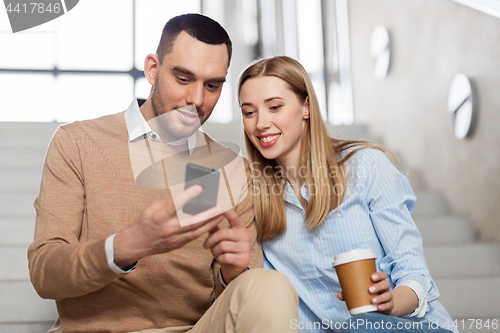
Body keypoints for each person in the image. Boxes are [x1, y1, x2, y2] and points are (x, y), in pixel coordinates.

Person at [28, 14, 298, 333]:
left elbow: (243, 302)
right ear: (153, 69)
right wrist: (126, 246)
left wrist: (232, 272)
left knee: (271, 284)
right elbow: (45, 273)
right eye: (183, 78)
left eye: (212, 85)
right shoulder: (77, 144)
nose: (196, 100)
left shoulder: (231, 168)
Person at [237, 56, 458, 333]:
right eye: (249, 112)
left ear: (306, 106)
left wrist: (389, 304)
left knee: (364, 326)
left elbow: (414, 272)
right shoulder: (257, 197)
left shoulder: (365, 166)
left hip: (406, 326)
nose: (261, 123)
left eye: (275, 107)